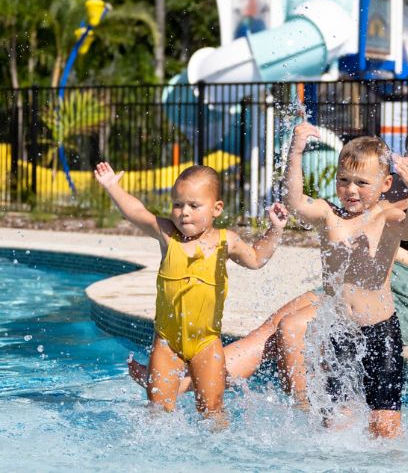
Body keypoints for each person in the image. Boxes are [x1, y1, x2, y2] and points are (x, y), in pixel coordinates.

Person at [129, 115, 408, 400]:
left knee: (295, 328)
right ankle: (185, 381)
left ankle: (304, 411)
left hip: (399, 299)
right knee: (272, 325)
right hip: (342, 287)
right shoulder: (381, 188)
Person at [94, 162, 289, 428]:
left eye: (194, 206)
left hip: (206, 343)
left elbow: (256, 258)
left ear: (216, 209)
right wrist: (112, 186)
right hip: (167, 342)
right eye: (178, 205)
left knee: (212, 411)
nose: (184, 213)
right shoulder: (167, 235)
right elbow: (136, 212)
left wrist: (275, 229)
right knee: (157, 412)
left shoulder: (225, 240)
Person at [279, 125, 408, 437]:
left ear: (386, 183)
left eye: (362, 182)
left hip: (381, 334)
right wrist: (295, 152)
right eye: (344, 180)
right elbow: (295, 202)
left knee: (384, 426)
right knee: (335, 424)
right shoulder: (328, 215)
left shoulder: (385, 219)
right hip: (339, 331)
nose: (351, 190)